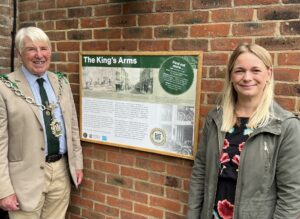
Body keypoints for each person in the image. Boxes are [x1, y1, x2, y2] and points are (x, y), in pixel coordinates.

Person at [188, 43, 300, 218]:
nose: (247, 77)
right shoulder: (216, 118)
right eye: (240, 70)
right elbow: (200, 171)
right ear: (231, 76)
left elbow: (291, 195)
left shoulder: (285, 126)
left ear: (268, 74)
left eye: (256, 70)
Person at [0, 26, 83, 219]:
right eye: (31, 49)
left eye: (44, 48)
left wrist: (77, 164)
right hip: (24, 179)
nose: (39, 55)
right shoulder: (4, 87)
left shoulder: (62, 83)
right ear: (20, 54)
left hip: (61, 172)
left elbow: (71, 126)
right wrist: (4, 189)